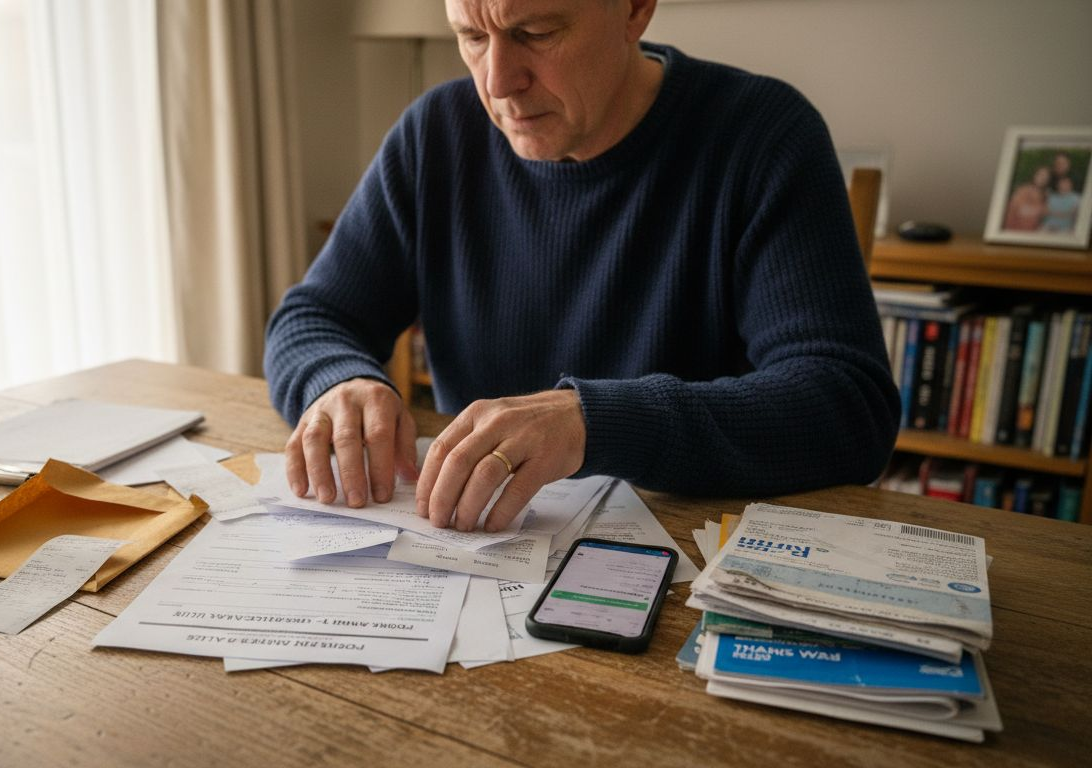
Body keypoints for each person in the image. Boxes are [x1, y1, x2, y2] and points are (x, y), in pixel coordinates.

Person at [264, 0, 900, 534]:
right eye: (471, 36)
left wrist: (593, 423)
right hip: (473, 554)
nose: (497, 80)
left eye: (535, 33)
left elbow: (847, 403)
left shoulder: (762, 136)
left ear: (634, 8)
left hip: (689, 561)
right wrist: (336, 382)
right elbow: (314, 317)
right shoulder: (436, 134)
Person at [1004, 166, 1050, 231]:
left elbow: (1043, 216)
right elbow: (1023, 211)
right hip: (1013, 231)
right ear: (1035, 175)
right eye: (1041, 175)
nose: (1043, 178)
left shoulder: (1043, 195)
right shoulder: (1023, 190)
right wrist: (1042, 210)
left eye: (1046, 177)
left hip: (1030, 233)